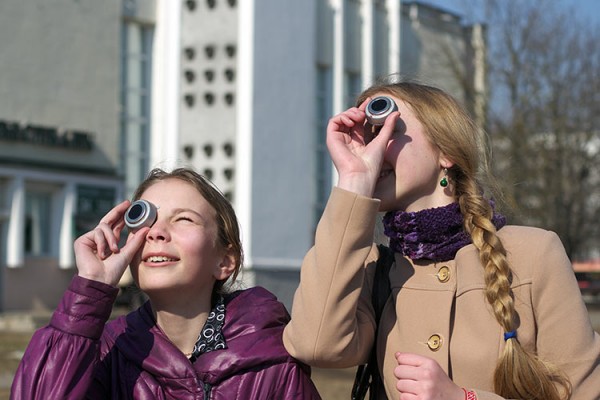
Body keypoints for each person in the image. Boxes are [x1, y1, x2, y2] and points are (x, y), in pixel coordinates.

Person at [283, 77, 600, 400]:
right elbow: (316, 344)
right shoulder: (371, 269)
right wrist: (353, 180)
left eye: (389, 128)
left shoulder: (533, 254)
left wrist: (462, 398)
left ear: (445, 152)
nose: (372, 147)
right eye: (367, 133)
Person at [12, 167, 321, 399]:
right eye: (145, 219)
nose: (156, 233)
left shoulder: (272, 360)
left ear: (225, 261)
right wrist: (90, 288)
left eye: (184, 219)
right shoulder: (109, 354)